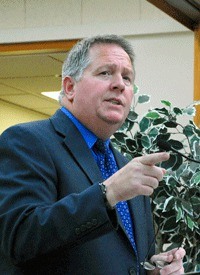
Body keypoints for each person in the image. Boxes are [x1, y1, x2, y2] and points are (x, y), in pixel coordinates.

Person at [0, 34, 185, 275]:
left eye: (127, 78)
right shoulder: (27, 141)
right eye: (105, 73)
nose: (120, 84)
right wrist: (108, 193)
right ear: (70, 87)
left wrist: (154, 268)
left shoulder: (126, 166)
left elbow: (124, 259)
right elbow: (19, 238)